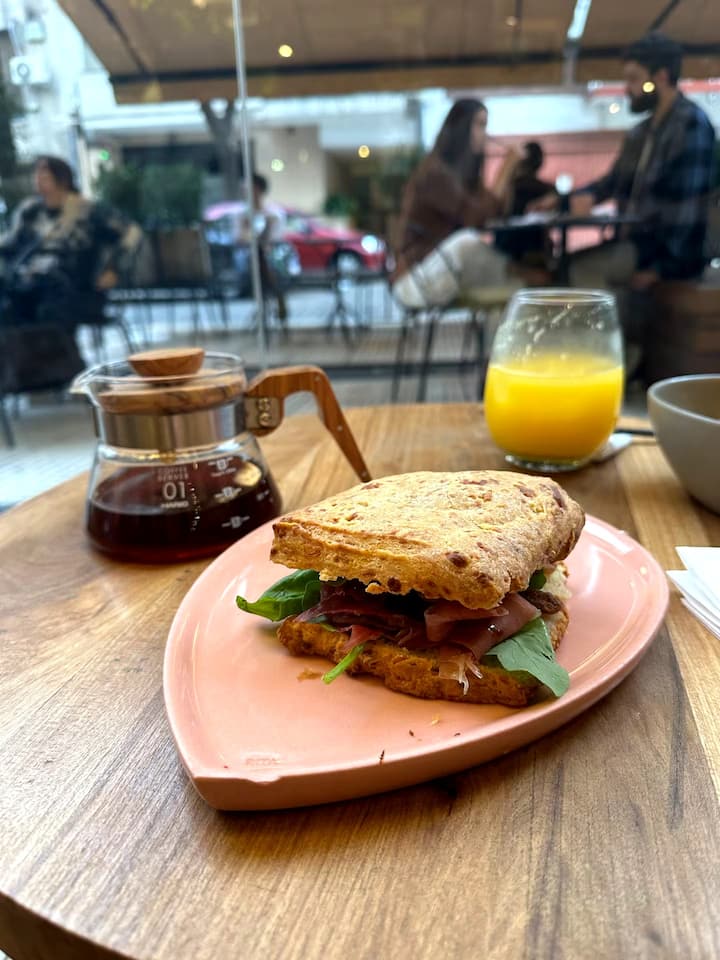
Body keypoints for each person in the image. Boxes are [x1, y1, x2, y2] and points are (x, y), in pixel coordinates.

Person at [532, 33, 716, 295]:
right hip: (638, 247)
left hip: (667, 257)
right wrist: (564, 200)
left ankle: (602, 323)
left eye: (634, 79)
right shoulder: (641, 133)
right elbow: (612, 182)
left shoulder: (690, 125)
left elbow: (688, 209)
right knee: (565, 267)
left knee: (578, 270)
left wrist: (661, 269)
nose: (627, 89)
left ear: (660, 77)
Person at [391, 98, 523, 309]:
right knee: (466, 243)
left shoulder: (462, 176)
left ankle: (522, 279)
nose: (485, 134)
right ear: (462, 127)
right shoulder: (435, 173)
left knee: (486, 247)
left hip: (443, 272)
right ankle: (524, 277)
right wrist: (505, 168)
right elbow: (477, 218)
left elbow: (494, 212)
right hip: (416, 279)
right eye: (480, 124)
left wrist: (510, 175)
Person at [0, 155, 141, 330]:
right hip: (30, 285)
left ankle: (54, 347)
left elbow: (131, 233)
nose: (38, 180)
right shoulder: (30, 211)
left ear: (63, 179)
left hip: (78, 289)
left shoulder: (88, 211)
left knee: (47, 307)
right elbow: (10, 242)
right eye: (36, 175)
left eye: (45, 176)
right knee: (9, 306)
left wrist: (114, 268)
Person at [495, 141, 556, 267]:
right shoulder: (550, 191)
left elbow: (493, 212)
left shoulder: (508, 189)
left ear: (519, 163)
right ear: (540, 163)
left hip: (505, 254)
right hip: (537, 253)